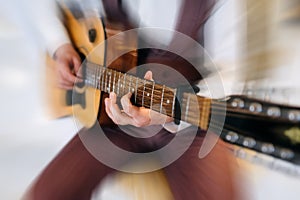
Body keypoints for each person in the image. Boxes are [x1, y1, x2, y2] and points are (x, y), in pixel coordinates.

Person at [23, 0, 243, 199]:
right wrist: (59, 46)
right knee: (46, 194)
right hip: (112, 114)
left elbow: (231, 77)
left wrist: (171, 108)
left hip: (190, 117)